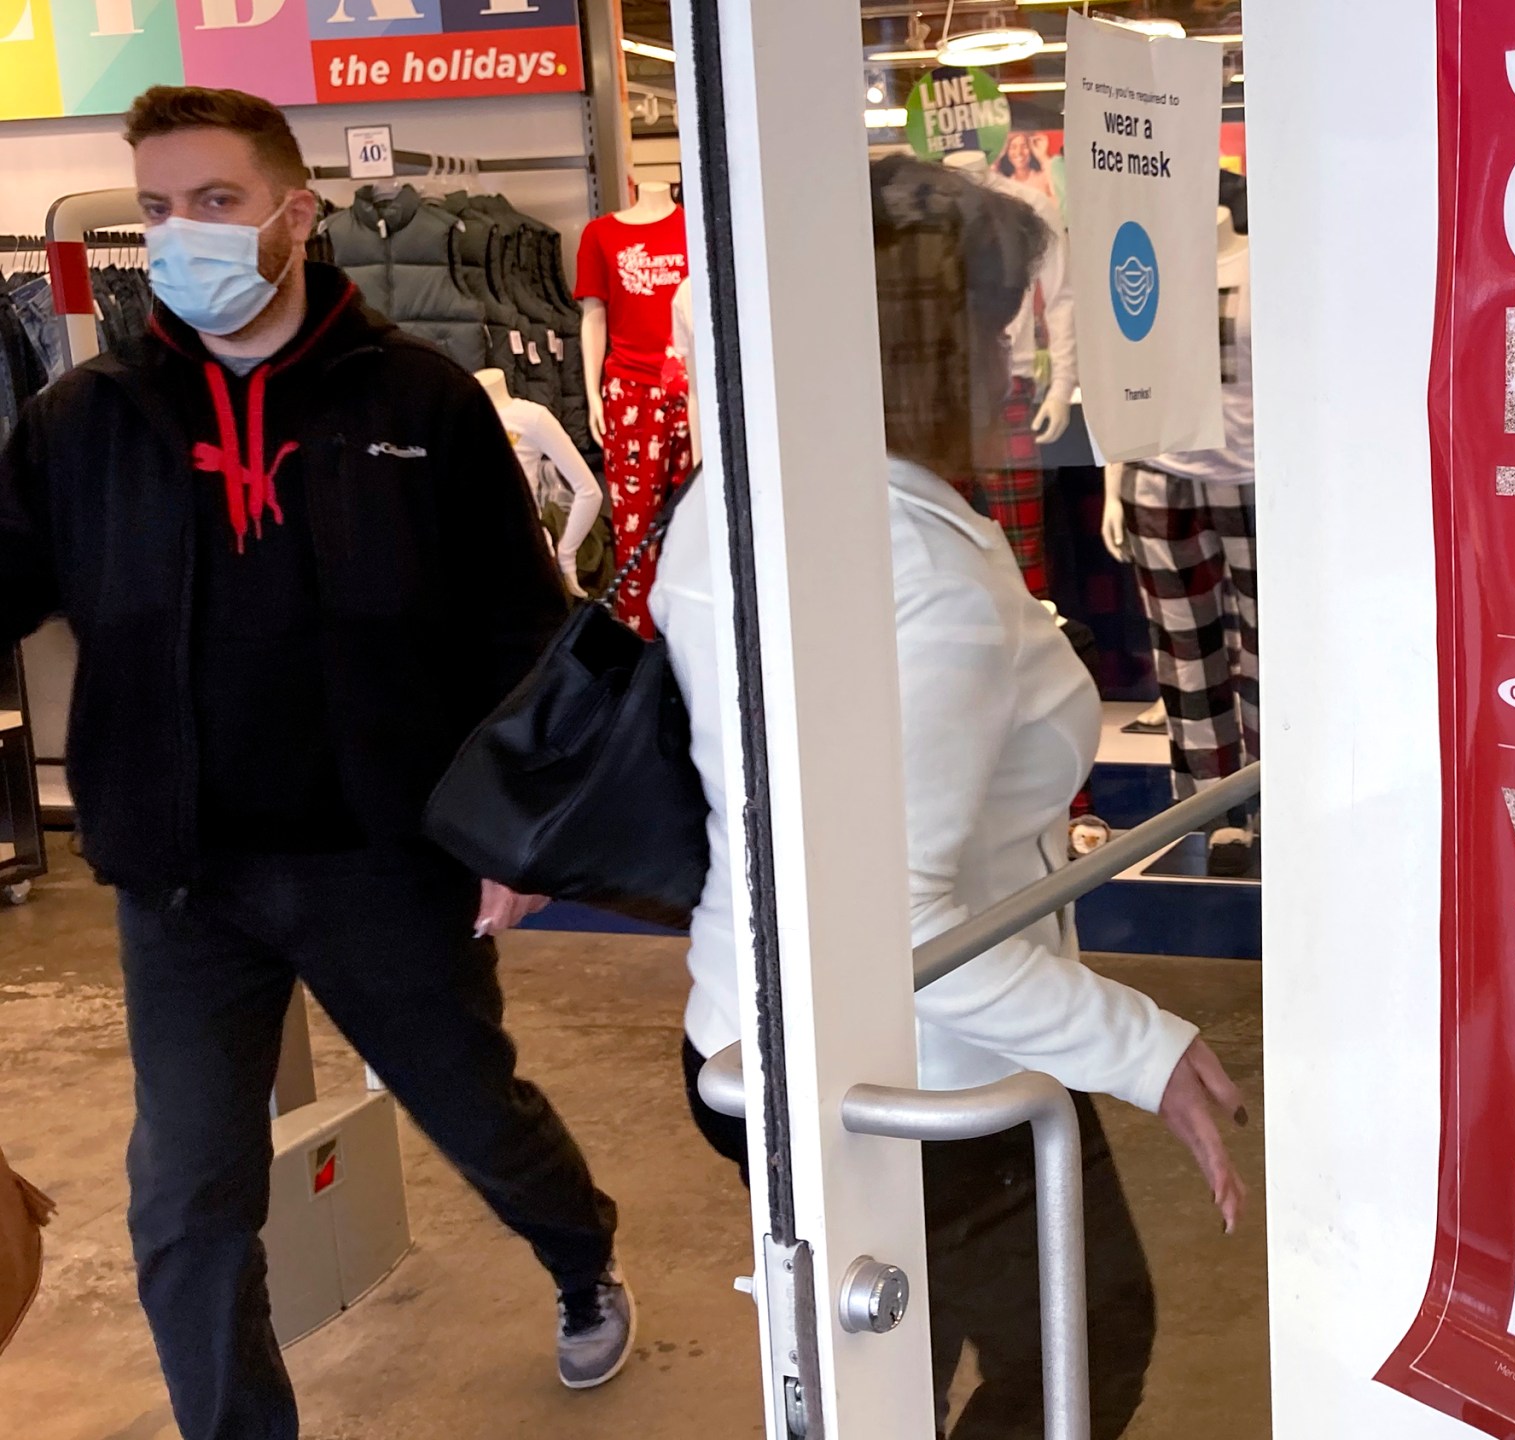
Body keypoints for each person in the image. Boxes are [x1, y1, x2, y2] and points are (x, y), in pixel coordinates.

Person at [0, 87, 633, 1437]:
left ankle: (582, 1257)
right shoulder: (82, 423)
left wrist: (521, 836)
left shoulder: (426, 403)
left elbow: (521, 634)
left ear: (297, 214)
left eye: (216, 203)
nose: (183, 236)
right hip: (183, 879)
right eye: (158, 208)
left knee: (477, 1114)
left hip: (384, 860)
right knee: (185, 1199)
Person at [653, 156, 1248, 1438]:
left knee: (887, 1373)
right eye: (990, 327)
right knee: (1074, 1348)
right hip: (919, 1073)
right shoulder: (911, 577)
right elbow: (900, 934)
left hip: (751, 1022)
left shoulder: (748, 501)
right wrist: (1150, 1047)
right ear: (912, 350)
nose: (1017, 362)